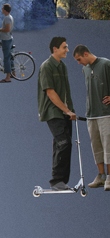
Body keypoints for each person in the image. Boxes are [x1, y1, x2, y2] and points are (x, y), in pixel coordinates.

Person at [37, 37, 77, 190]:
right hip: (53, 111)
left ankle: (61, 181)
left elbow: (66, 92)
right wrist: (66, 110)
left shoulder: (63, 66)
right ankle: (56, 181)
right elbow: (51, 92)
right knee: (63, 142)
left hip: (66, 113)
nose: (67, 50)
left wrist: (70, 110)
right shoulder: (46, 66)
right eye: (64, 47)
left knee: (65, 144)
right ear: (55, 49)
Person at [74, 45, 110, 190]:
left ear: (86, 54)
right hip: (91, 114)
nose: (78, 63)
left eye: (79, 59)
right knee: (96, 147)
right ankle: (101, 176)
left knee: (108, 145)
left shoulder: (106, 64)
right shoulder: (85, 69)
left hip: (106, 113)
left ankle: (109, 178)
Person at [0, 3, 15, 83]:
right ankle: (13, 74)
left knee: (6, 59)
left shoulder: (7, 18)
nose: (1, 9)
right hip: (9, 38)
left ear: (5, 10)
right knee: (10, 56)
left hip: (6, 40)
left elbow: (8, 29)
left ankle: (8, 78)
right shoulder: (9, 17)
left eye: (2, 8)